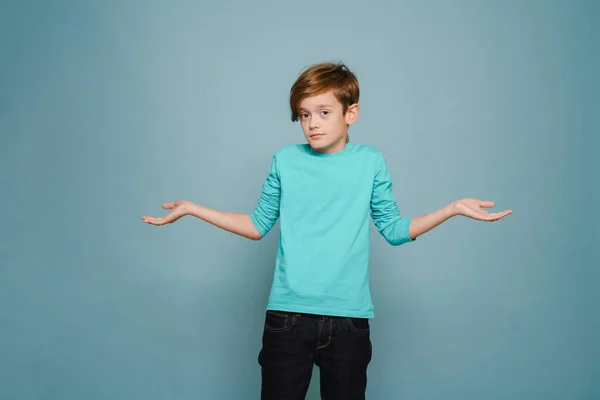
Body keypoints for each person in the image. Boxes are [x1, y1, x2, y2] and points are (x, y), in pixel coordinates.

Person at [142, 62, 512, 399]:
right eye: (304, 115)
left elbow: (395, 229)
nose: (312, 123)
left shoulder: (371, 161)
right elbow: (257, 225)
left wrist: (451, 209)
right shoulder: (285, 160)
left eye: (323, 112)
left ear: (351, 113)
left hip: (350, 322)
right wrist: (193, 209)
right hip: (287, 319)